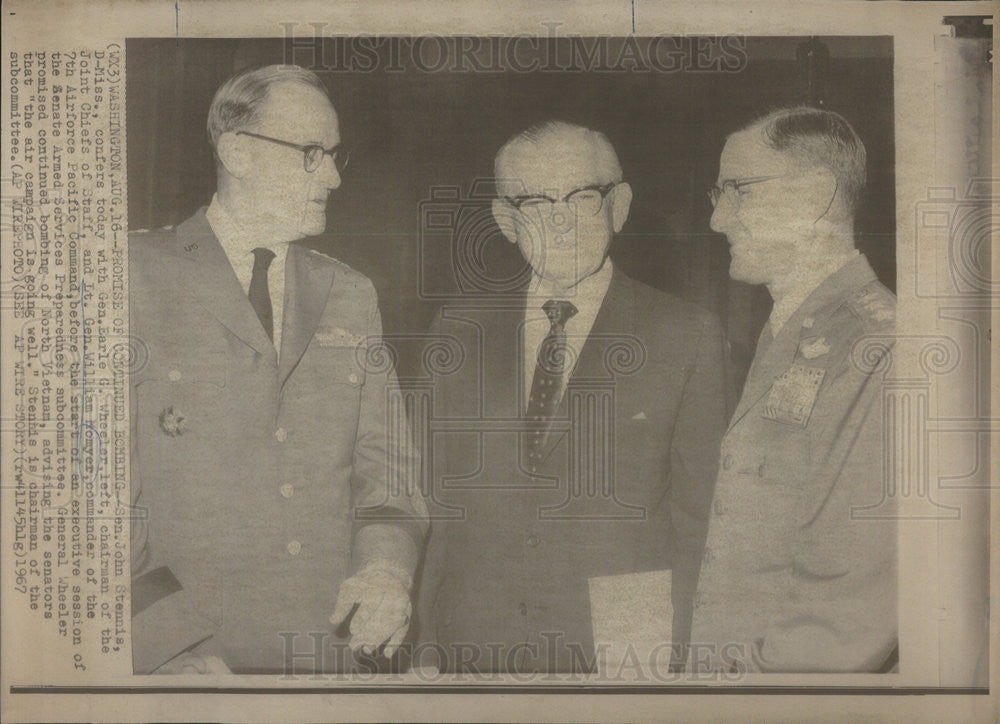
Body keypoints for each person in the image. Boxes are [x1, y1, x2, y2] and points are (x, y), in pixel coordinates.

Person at [129, 65, 428, 675]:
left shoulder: (351, 293)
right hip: (190, 668)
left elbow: (389, 478)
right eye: (312, 153)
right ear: (236, 151)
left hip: (332, 662)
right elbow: (92, 504)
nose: (335, 177)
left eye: (337, 155)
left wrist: (385, 570)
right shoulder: (131, 275)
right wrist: (161, 653)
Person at [416, 121, 728, 673]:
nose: (560, 222)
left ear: (620, 206)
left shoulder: (689, 335)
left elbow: (699, 525)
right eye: (535, 201)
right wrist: (425, 649)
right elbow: (429, 509)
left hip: (620, 651)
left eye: (582, 197)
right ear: (505, 221)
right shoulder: (456, 331)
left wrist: (676, 666)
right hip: (473, 645)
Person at [690, 106, 896, 673]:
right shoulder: (794, 324)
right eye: (719, 193)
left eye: (741, 191)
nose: (719, 219)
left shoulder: (878, 345)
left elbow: (846, 615)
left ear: (816, 196)